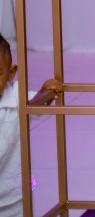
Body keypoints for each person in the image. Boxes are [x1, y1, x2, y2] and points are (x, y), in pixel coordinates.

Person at [0, 34, 60, 217]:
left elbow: (36, 105)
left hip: (16, 199)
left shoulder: (16, 95)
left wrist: (44, 92)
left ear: (10, 73)